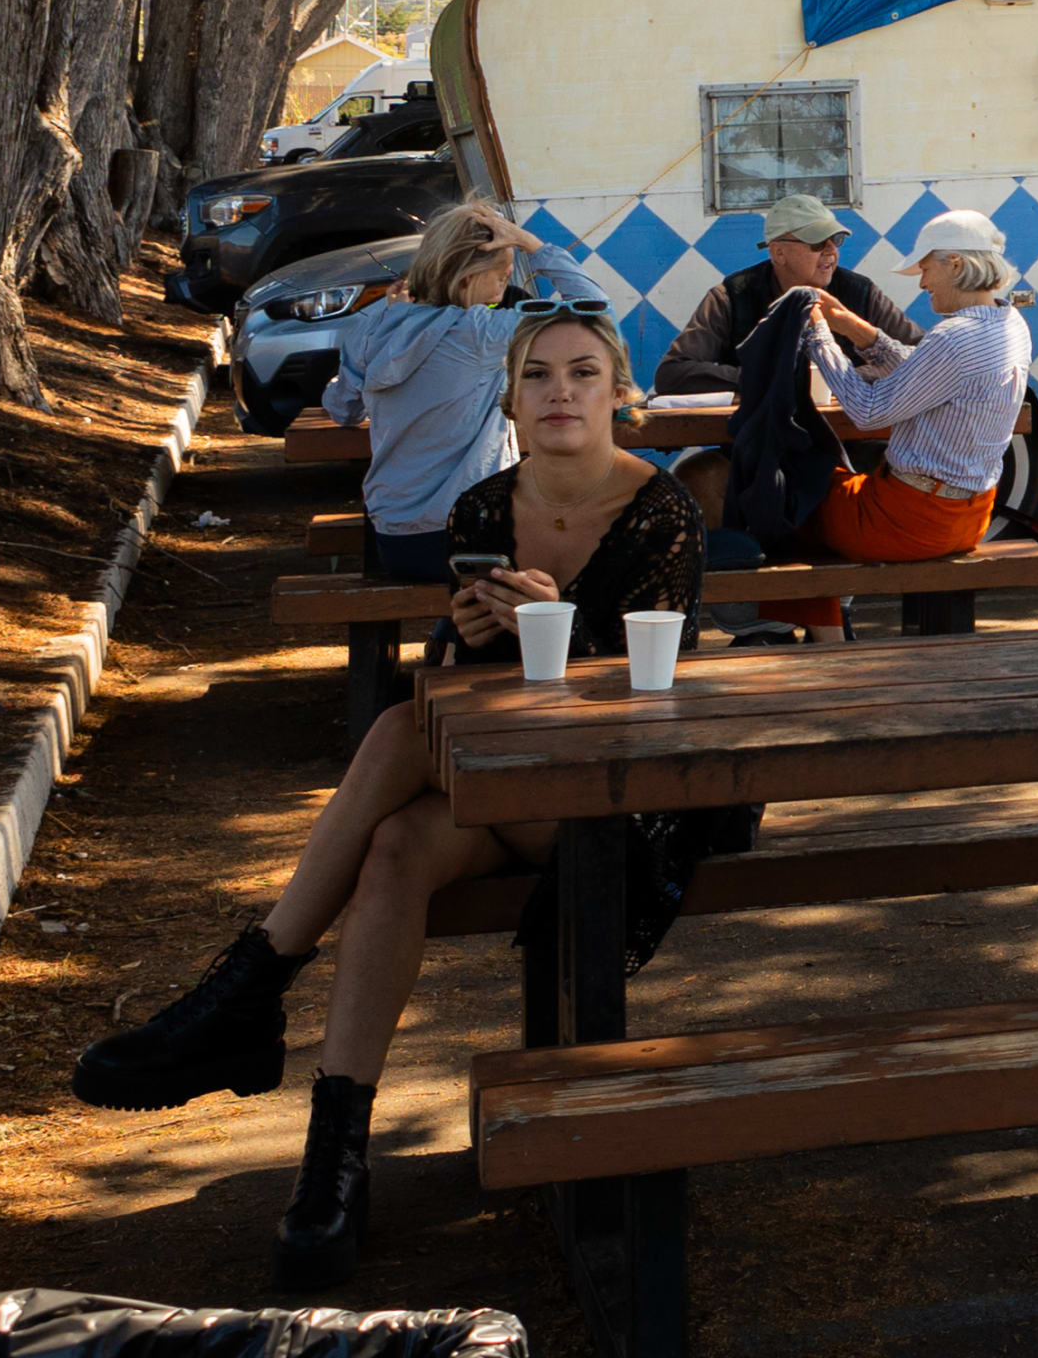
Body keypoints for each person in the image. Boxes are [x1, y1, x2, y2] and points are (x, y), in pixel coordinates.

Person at [76, 308, 726, 1290]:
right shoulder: (479, 512)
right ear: (509, 394)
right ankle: (335, 1155)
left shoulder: (662, 513)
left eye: (583, 373)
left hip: (612, 809)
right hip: (494, 789)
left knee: (392, 733)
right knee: (393, 849)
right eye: (539, 374)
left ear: (618, 393)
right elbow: (450, 688)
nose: (559, 392)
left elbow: (649, 701)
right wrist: (467, 638)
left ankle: (251, 988)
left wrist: (556, 626)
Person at [325, 201, 594, 579]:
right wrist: (530, 243)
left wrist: (394, 319)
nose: (505, 288)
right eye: (502, 276)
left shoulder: (372, 326)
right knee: (589, 543)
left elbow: (343, 410)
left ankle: (452, 632)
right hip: (471, 534)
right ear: (468, 277)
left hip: (395, 539)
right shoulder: (481, 332)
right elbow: (595, 314)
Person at [783, 207, 1030, 617]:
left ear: (955, 265)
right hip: (971, 517)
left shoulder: (953, 336)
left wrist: (817, 335)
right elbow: (926, 373)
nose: (922, 281)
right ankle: (827, 629)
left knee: (788, 501)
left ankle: (813, 635)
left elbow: (868, 411)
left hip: (908, 522)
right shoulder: (1010, 323)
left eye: (925, 268)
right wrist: (851, 326)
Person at [654, 193, 917, 396]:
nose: (830, 251)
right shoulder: (730, 297)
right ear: (778, 252)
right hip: (758, 442)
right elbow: (672, 374)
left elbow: (923, 356)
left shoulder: (861, 292)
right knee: (703, 470)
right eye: (816, 243)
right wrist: (766, 380)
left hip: (849, 440)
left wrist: (841, 378)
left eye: (834, 240)